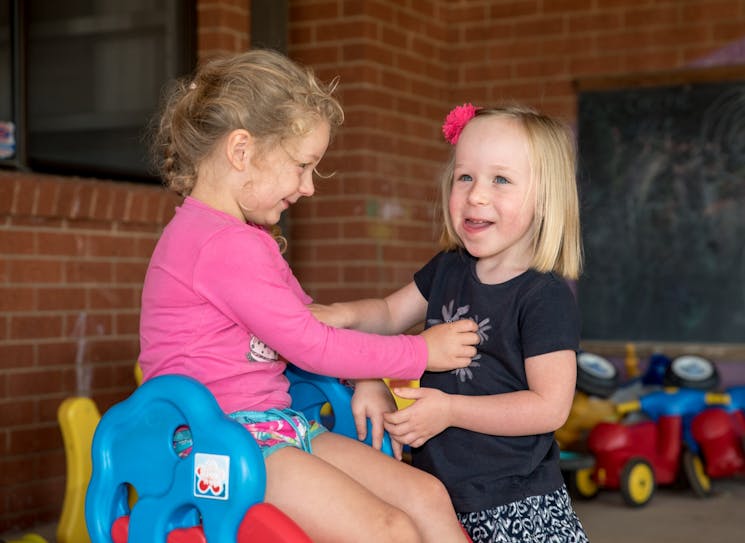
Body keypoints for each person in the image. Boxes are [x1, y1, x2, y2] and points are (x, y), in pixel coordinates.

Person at [137, 49, 480, 543]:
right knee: (388, 530)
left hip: (272, 429)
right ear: (241, 151)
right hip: (214, 445)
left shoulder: (244, 239)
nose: (309, 187)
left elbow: (312, 323)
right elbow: (309, 343)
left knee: (425, 496)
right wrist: (421, 352)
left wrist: (364, 375)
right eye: (302, 166)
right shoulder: (218, 243)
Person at [311, 104, 590, 542]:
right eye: (466, 177)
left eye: (500, 179)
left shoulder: (543, 297)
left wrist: (449, 410)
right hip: (437, 493)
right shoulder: (448, 268)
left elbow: (549, 407)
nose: (477, 194)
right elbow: (387, 315)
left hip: (515, 503)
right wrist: (341, 315)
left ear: (544, 199)